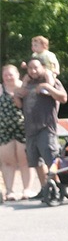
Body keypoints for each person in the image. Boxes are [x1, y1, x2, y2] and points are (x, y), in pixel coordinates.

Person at [14, 58, 68, 190]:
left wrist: (48, 87)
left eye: (36, 67)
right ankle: (45, 189)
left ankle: (59, 187)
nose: (33, 71)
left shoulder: (52, 81)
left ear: (43, 67)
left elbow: (63, 98)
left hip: (46, 127)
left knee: (50, 159)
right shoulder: (27, 84)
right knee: (36, 161)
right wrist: (16, 95)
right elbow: (19, 105)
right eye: (30, 68)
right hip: (30, 129)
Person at [0, 64, 34, 201]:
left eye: (11, 74)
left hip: (23, 129)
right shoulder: (1, 89)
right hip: (4, 130)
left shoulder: (24, 87)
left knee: (25, 160)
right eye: (5, 75)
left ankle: (27, 189)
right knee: (7, 161)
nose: (8, 77)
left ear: (17, 74)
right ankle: (9, 191)